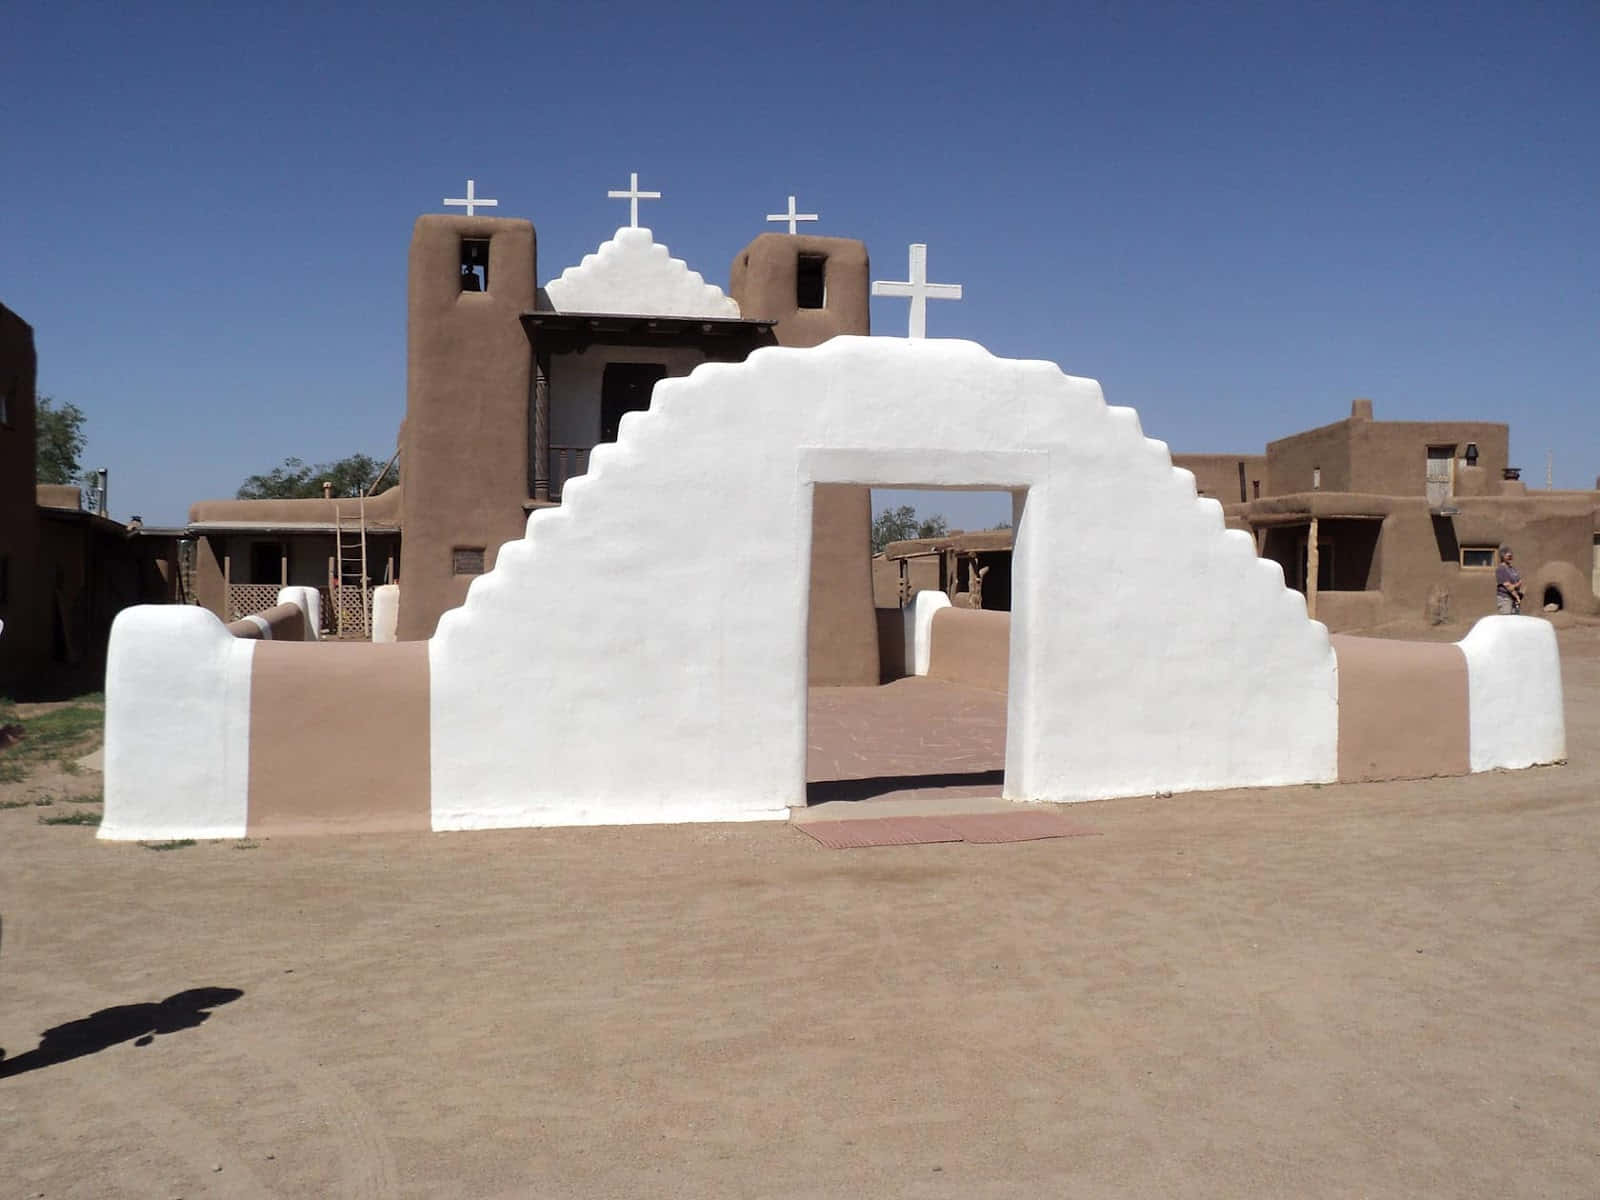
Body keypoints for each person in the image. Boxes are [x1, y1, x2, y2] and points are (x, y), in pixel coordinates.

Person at [1495, 546, 1524, 615]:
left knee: (1514, 621)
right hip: (1505, 599)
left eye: (1511, 556)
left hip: (1514, 599)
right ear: (1503, 557)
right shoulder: (1501, 569)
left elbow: (1520, 581)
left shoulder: (1511, 568)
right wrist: (1517, 597)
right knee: (1506, 620)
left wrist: (1515, 586)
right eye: (1508, 556)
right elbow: (1508, 587)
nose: (1510, 558)